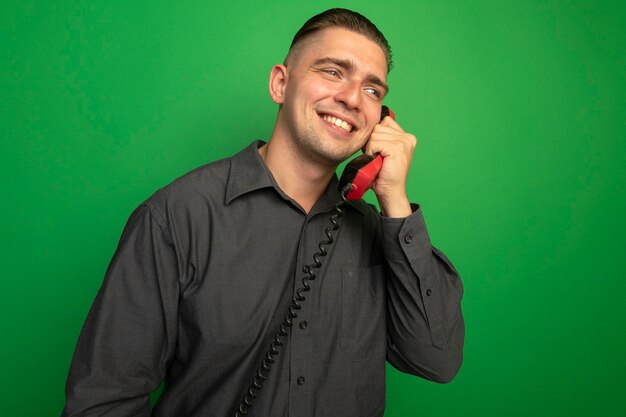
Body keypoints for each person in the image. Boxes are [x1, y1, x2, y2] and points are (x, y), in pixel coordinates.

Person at [62, 8, 464, 417]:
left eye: (373, 91)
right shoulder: (175, 218)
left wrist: (394, 199)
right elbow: (102, 402)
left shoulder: (381, 234)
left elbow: (437, 359)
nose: (351, 99)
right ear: (280, 84)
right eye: (332, 72)